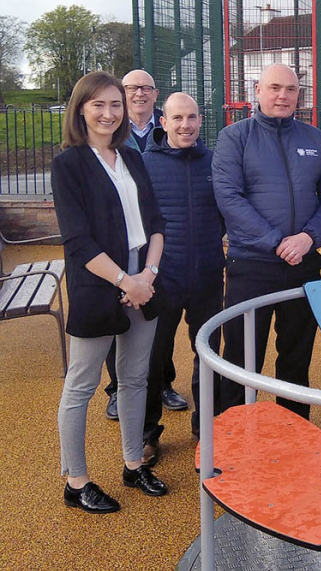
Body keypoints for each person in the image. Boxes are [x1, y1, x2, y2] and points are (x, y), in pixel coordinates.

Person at [52, 71, 168, 514]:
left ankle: (133, 463)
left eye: (115, 104)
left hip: (144, 278)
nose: (108, 113)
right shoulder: (69, 164)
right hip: (100, 283)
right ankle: (76, 481)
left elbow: (156, 223)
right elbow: (78, 241)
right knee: (81, 385)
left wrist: (148, 276)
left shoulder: (132, 158)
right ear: (81, 108)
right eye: (98, 104)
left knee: (136, 378)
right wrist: (126, 281)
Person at [212, 63, 321, 418]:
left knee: (297, 360)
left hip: (302, 265)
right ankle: (230, 439)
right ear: (257, 90)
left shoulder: (314, 139)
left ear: (298, 94)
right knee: (241, 358)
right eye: (274, 88)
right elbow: (229, 197)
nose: (282, 95)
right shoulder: (234, 137)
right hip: (251, 266)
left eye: (290, 89)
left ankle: (296, 432)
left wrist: (308, 238)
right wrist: (275, 241)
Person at [139, 92, 225, 462]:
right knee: (152, 358)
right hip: (164, 276)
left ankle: (205, 430)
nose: (185, 125)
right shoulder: (144, 163)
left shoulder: (215, 161)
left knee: (207, 355)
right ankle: (147, 434)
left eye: (191, 117)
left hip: (207, 273)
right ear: (163, 122)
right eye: (177, 119)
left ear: (200, 121)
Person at [104, 70, 187, 420]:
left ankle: (163, 382)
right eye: (131, 88)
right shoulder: (109, 134)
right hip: (118, 240)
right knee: (115, 313)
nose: (139, 94)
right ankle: (115, 389)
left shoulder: (166, 130)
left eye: (146, 89)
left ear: (156, 96)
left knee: (157, 314)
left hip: (155, 238)